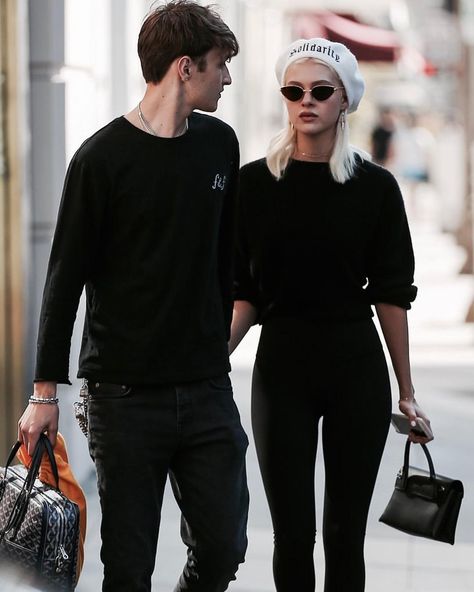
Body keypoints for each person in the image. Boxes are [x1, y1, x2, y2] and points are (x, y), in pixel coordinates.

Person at [18, 2, 249, 591]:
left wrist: (217, 340)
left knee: (224, 547)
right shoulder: (100, 160)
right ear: (184, 67)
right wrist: (45, 391)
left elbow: (227, 259)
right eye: (220, 64)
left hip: (205, 390)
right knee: (128, 566)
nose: (227, 76)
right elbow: (64, 278)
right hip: (124, 400)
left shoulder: (220, 144)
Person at [229, 38, 433, 592]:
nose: (306, 102)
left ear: (345, 100)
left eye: (321, 91)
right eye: (294, 91)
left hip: (354, 368)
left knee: (345, 534)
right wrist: (208, 356)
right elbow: (244, 291)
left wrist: (406, 391)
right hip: (282, 369)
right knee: (291, 536)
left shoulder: (375, 189)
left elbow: (391, 294)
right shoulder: (252, 185)